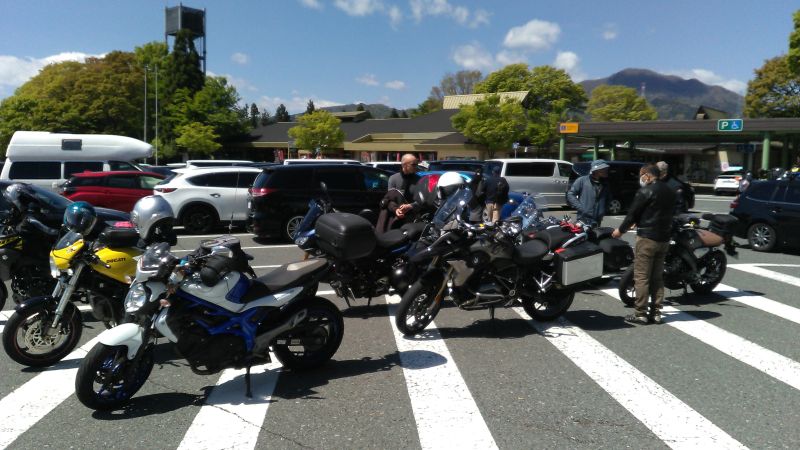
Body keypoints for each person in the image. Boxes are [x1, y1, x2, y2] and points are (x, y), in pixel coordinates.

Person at [612, 164, 676, 325]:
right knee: (657, 277)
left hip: (647, 238)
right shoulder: (670, 190)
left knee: (641, 276)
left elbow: (632, 214)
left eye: (641, 175)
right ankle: (656, 313)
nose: (640, 179)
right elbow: (658, 212)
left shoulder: (646, 191)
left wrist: (620, 230)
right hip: (664, 238)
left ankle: (640, 313)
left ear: (647, 175)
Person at [566, 159, 611, 227]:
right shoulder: (582, 181)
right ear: (597, 170)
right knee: (583, 233)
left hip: (597, 219)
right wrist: (581, 208)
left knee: (596, 233)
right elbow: (570, 194)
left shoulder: (605, 184)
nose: (606, 170)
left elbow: (608, 198)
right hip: (583, 218)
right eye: (604, 169)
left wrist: (603, 210)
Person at [388, 154, 421, 221]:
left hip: (413, 218)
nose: (416, 167)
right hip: (397, 218)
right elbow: (390, 199)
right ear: (404, 165)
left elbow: (423, 200)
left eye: (417, 164)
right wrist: (396, 209)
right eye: (413, 165)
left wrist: (410, 206)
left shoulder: (419, 180)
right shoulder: (393, 178)